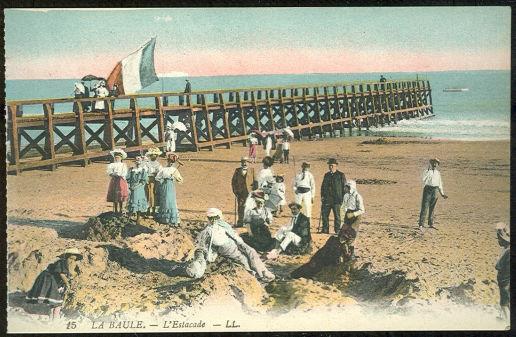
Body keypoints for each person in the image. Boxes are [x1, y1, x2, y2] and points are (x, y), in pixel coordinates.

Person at [196, 208, 275, 282]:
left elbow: (233, 234)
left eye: (215, 218)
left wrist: (240, 242)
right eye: (212, 218)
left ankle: (263, 272)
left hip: (235, 243)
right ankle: (259, 274)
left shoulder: (221, 225)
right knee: (244, 258)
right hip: (228, 247)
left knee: (251, 252)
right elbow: (204, 244)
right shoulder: (209, 230)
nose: (214, 220)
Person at [26, 248, 82, 319]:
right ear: (66, 257)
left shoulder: (72, 266)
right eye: (70, 258)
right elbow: (62, 274)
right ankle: (53, 315)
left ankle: (53, 314)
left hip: (56, 281)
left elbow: (72, 274)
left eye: (74, 259)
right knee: (54, 298)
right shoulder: (61, 263)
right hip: (49, 279)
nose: (72, 261)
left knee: (56, 299)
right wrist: (67, 284)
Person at [290, 226, 356, 279]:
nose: (342, 239)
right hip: (322, 262)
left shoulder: (349, 249)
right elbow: (323, 252)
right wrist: (313, 260)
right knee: (304, 271)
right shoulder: (333, 240)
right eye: (342, 236)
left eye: (345, 238)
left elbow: (349, 263)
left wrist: (346, 254)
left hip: (333, 269)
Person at [418, 158, 448, 231]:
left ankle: (431, 223)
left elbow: (440, 183)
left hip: (435, 190)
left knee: (432, 208)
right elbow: (423, 180)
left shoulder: (438, 173)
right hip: (428, 189)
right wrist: (428, 171)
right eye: (433, 163)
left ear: (437, 165)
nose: (434, 165)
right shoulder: (427, 171)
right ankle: (421, 224)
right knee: (424, 207)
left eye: (436, 163)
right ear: (431, 163)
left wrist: (442, 194)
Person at [155, 153, 183, 226]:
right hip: (164, 186)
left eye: (172, 162)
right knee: (164, 200)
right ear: (167, 161)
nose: (171, 163)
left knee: (170, 201)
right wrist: (161, 181)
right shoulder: (163, 169)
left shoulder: (174, 169)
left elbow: (180, 180)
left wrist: (176, 178)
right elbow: (157, 178)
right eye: (170, 161)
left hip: (170, 186)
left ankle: (172, 219)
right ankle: (164, 219)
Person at [320, 158, 347, 234]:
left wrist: (343, 199)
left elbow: (344, 188)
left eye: (332, 166)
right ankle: (325, 229)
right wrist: (322, 196)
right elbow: (323, 187)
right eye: (329, 166)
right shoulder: (326, 175)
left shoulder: (341, 175)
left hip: (337, 199)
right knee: (324, 215)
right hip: (327, 199)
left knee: (337, 216)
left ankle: (337, 230)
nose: (331, 167)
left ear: (336, 166)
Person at [340, 180, 365, 259]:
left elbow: (362, 210)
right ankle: (345, 253)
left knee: (352, 235)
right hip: (348, 215)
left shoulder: (358, 196)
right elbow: (343, 206)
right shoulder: (346, 196)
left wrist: (353, 214)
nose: (345, 188)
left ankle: (351, 254)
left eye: (347, 187)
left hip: (356, 217)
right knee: (342, 234)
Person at [231, 157, 256, 227]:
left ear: (248, 163)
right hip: (240, 192)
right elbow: (233, 182)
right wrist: (235, 191)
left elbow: (255, 182)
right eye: (243, 162)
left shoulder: (252, 170)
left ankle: (248, 222)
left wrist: (254, 192)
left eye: (246, 162)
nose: (244, 163)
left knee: (249, 207)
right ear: (241, 163)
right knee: (240, 207)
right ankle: (240, 221)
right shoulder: (237, 170)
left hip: (249, 192)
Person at [126, 156, 149, 225]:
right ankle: (129, 216)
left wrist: (136, 186)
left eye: (139, 161)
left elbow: (143, 181)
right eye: (136, 161)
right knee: (131, 201)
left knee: (138, 201)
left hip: (140, 188)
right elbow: (128, 179)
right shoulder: (131, 170)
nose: (138, 162)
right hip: (132, 187)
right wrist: (130, 186)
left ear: (141, 162)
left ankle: (138, 218)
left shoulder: (143, 171)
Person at [495, 222, 510, 326]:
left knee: (504, 303)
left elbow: (498, 266)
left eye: (499, 239)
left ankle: (508, 322)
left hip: (504, 280)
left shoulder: (506, 251)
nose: (498, 241)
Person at [106, 149, 129, 214]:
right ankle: (115, 209)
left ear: (121, 158)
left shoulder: (123, 165)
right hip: (114, 180)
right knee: (114, 194)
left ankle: (121, 209)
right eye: (116, 157)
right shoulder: (112, 164)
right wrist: (113, 174)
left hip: (121, 180)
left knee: (120, 193)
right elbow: (109, 172)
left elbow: (125, 172)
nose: (117, 159)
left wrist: (120, 174)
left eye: (118, 157)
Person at [144, 147, 163, 217]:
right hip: (149, 180)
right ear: (150, 156)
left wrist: (158, 175)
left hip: (156, 180)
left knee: (155, 194)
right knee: (149, 194)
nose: (154, 156)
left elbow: (160, 172)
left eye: (155, 155)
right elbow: (145, 171)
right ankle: (148, 210)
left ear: (157, 156)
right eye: (152, 155)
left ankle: (154, 210)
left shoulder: (158, 164)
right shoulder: (147, 164)